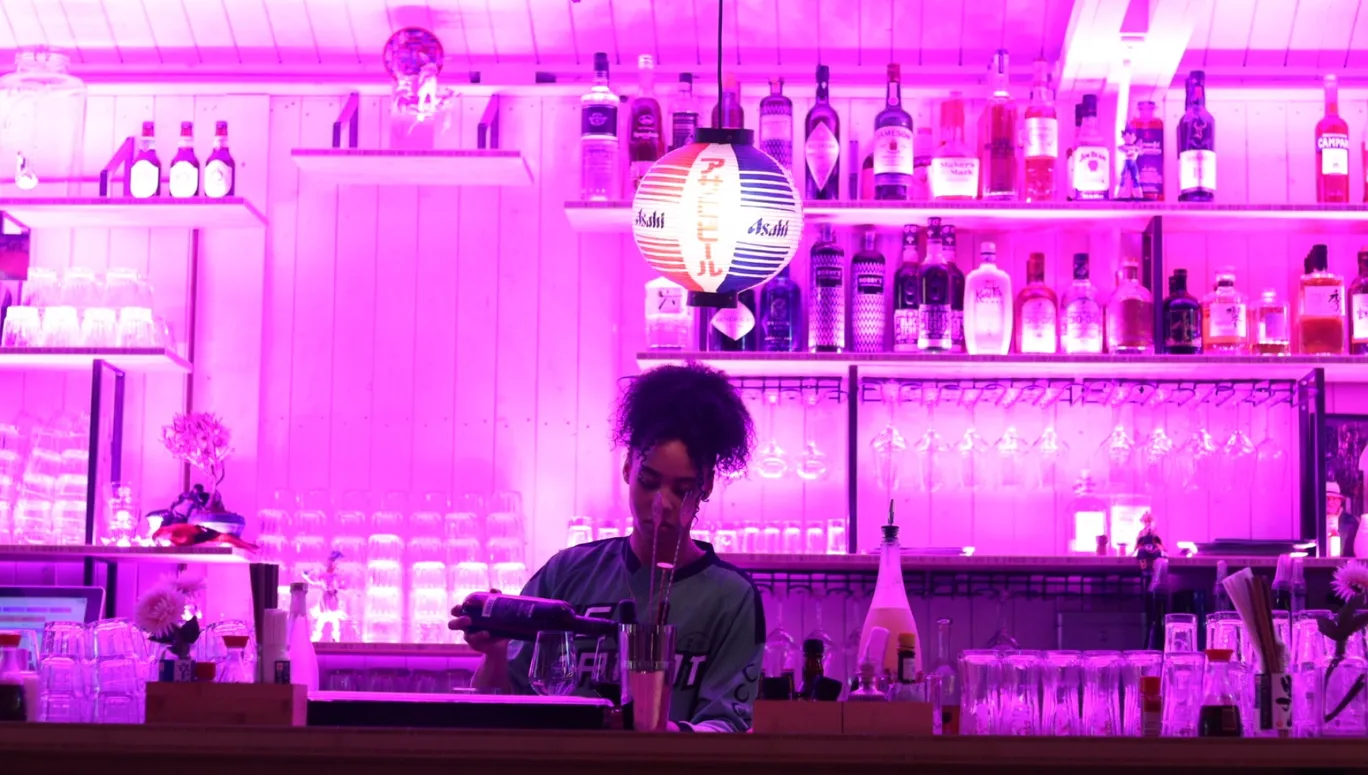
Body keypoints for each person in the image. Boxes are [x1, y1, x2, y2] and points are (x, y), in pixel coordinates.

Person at [449, 363, 765, 732]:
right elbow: (505, 711)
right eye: (649, 482)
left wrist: (654, 734)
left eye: (683, 489)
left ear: (708, 484)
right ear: (629, 468)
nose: (661, 504)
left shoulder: (731, 599)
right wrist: (496, 654)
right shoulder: (566, 574)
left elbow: (729, 726)